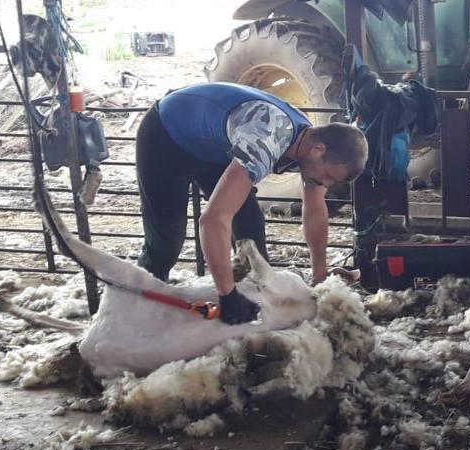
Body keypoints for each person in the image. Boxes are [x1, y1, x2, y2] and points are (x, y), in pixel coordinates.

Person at [135, 82, 368, 324]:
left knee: (250, 233)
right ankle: (139, 311)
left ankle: (253, 314)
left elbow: (315, 212)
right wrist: (227, 296)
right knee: (166, 242)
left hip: (212, 148)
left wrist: (320, 275)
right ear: (319, 150)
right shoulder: (266, 140)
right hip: (166, 135)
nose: (327, 184)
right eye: (329, 176)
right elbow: (213, 221)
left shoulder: (308, 144)